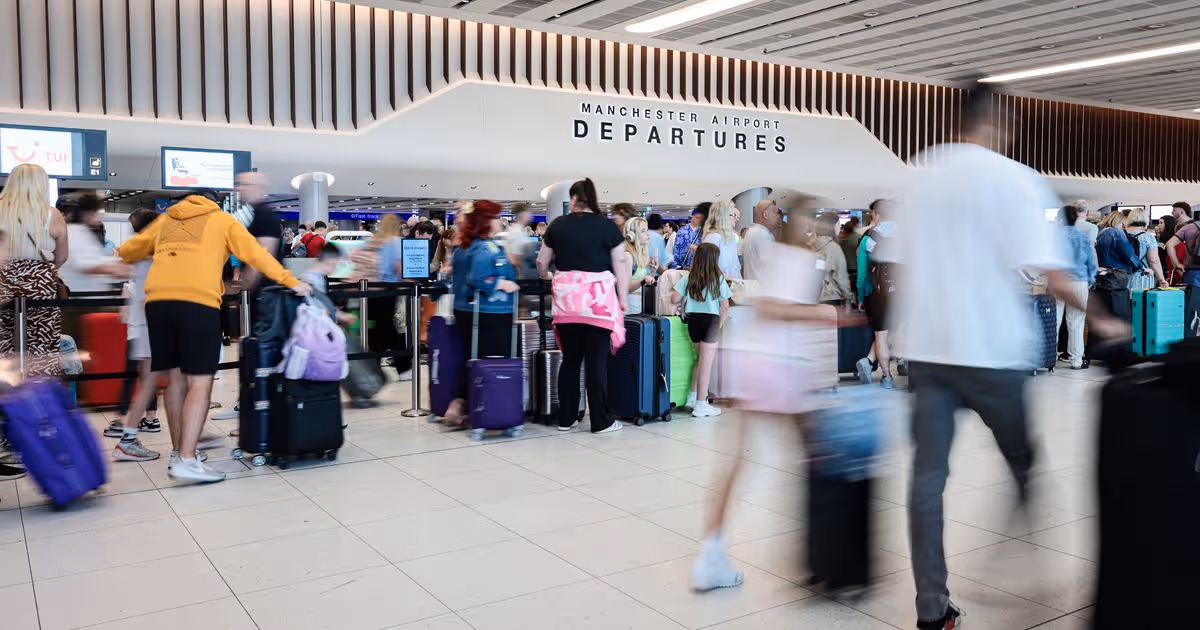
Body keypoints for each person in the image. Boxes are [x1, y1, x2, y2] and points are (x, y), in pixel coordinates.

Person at [894, 85, 1127, 630]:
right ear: (996, 119)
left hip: (929, 351)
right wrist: (1105, 319)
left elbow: (899, 268)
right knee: (1023, 461)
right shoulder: (1017, 179)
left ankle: (933, 608)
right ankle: (1020, 566)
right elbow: (1052, 274)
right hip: (994, 352)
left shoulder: (917, 175)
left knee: (926, 482)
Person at [116, 190, 311, 484]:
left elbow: (129, 250)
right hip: (197, 302)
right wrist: (292, 281)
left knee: (175, 380)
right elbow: (257, 255)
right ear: (214, 203)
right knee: (200, 381)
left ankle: (178, 452)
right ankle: (186, 460)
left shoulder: (166, 220)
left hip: (157, 304)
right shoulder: (222, 220)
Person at [694, 196, 835, 592]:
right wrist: (821, 314)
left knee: (739, 462)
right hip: (782, 367)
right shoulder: (799, 259)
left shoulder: (771, 255)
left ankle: (712, 555)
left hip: (753, 361)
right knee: (814, 458)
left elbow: (767, 306)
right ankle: (820, 553)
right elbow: (777, 309)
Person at [538, 178, 628, 434]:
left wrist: (548, 276)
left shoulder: (557, 225)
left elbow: (541, 262)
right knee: (596, 363)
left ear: (574, 199)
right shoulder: (608, 228)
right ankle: (601, 420)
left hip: (566, 305)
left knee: (570, 361)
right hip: (597, 304)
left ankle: (566, 418)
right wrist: (621, 299)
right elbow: (619, 266)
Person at [440, 201, 519, 425]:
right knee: (488, 361)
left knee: (470, 357)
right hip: (487, 312)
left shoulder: (465, 246)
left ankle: (461, 404)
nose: (500, 221)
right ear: (486, 221)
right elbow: (479, 279)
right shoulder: (485, 247)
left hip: (466, 309)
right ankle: (485, 407)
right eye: (495, 217)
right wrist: (503, 284)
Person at [107, 209, 166, 462]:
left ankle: (130, 438)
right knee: (164, 380)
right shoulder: (153, 248)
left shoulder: (138, 247)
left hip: (144, 321)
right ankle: (129, 440)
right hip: (151, 321)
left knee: (154, 380)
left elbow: (120, 271)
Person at [0, 164, 68, 378]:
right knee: (41, 343)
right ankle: (38, 399)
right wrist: (42, 271)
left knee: (2, 341)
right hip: (40, 284)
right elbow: (62, 256)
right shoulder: (51, 214)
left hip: (2, 280)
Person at [350, 215, 412, 383]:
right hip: (387, 289)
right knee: (390, 329)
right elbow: (399, 269)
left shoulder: (373, 241)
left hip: (369, 290)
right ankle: (403, 368)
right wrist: (412, 281)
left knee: (377, 329)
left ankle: (374, 369)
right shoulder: (395, 242)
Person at [673, 243, 731, 418]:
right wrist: (718, 326)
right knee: (706, 364)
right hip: (710, 321)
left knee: (700, 360)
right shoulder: (718, 279)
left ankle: (692, 396)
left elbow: (674, 297)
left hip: (693, 321)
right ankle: (701, 404)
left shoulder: (690, 278)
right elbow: (725, 307)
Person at [855, 199, 898, 389]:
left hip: (878, 293)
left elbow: (862, 272)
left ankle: (887, 377)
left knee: (881, 335)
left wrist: (861, 296)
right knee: (898, 329)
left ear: (877, 215)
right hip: (904, 293)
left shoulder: (870, 237)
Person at [57, 193, 130, 295]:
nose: (96, 217)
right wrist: (116, 269)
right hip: (79, 297)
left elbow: (94, 260)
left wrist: (117, 264)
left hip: (87, 295)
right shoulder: (74, 232)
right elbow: (86, 266)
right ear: (87, 213)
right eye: (95, 213)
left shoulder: (81, 231)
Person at [1056, 205, 1097, 370]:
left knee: (1055, 320)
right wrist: (1090, 279)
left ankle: (1049, 358)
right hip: (1079, 281)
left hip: (1058, 280)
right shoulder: (1083, 237)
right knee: (1077, 322)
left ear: (1060, 219)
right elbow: (1091, 262)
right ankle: (1076, 360)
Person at [809, 213, 854, 306]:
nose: (839, 228)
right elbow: (841, 277)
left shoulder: (809, 244)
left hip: (811, 296)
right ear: (832, 226)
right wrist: (848, 296)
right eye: (838, 224)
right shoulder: (833, 247)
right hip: (830, 297)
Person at [1123, 207, 1169, 291]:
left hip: (1121, 275)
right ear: (1146, 220)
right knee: (1139, 302)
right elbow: (1154, 260)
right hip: (1141, 276)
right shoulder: (1148, 237)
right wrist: (1162, 280)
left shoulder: (1119, 233)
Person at [623, 217, 656, 314]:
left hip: (638, 305)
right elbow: (625, 288)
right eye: (642, 231)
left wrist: (652, 273)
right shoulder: (628, 256)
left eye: (647, 230)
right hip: (629, 307)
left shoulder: (639, 255)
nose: (647, 234)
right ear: (632, 235)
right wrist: (643, 280)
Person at [702, 201, 742, 281]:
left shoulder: (730, 238)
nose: (736, 219)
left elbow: (734, 267)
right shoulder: (713, 237)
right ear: (723, 217)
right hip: (720, 287)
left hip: (732, 286)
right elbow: (710, 267)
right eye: (733, 215)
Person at [742, 200, 780, 282]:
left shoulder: (751, 232)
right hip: (762, 289)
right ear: (765, 214)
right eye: (775, 213)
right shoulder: (762, 235)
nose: (778, 216)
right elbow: (772, 268)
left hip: (752, 288)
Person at [1165, 202, 1200, 288]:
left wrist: (1176, 264)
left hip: (1192, 272)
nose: (1171, 212)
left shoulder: (1189, 227)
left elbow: (1169, 244)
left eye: (1174, 210)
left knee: (1192, 300)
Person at [501, 203, 534, 271]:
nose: (531, 216)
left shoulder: (520, 230)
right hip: (518, 273)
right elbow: (514, 259)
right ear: (522, 214)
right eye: (528, 213)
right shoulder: (516, 232)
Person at [672, 204, 707, 269]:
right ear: (693, 217)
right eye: (698, 217)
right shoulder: (682, 230)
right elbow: (676, 249)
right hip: (683, 265)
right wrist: (675, 266)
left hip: (698, 265)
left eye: (701, 218)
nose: (700, 220)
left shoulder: (703, 231)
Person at [838, 216, 863, 295]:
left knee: (845, 291)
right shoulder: (858, 237)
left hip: (843, 268)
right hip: (856, 268)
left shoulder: (839, 239)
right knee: (856, 290)